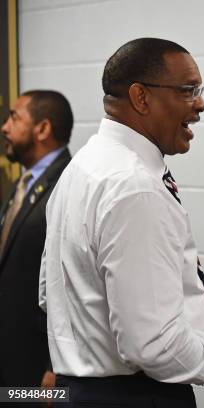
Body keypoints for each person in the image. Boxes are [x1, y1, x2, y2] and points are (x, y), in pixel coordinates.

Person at [39, 38, 204, 408]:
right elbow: (153, 346)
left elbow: (53, 294)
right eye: (188, 91)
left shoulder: (82, 167)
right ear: (141, 98)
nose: (201, 103)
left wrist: (202, 329)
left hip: (81, 391)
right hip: (133, 396)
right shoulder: (134, 187)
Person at [0, 90, 72, 391]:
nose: (5, 126)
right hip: (12, 357)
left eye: (15, 117)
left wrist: (54, 365)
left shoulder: (67, 183)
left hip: (40, 368)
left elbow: (69, 282)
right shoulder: (24, 182)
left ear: (42, 129)